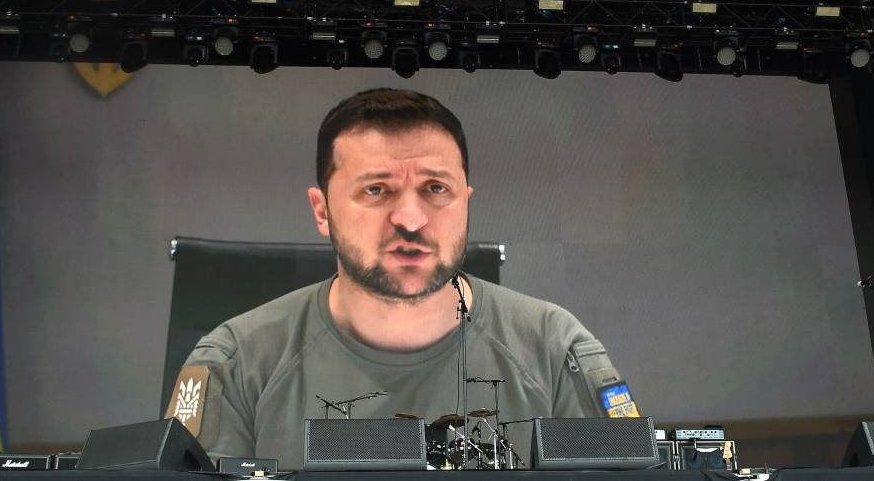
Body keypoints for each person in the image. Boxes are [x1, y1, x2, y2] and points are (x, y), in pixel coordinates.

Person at [178, 88, 634, 470]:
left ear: (466, 202)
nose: (411, 219)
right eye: (376, 190)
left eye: (436, 189)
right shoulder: (235, 363)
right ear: (322, 210)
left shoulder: (556, 352)